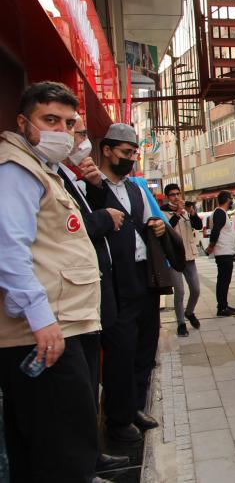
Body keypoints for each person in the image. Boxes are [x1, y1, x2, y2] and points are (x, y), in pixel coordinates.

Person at [0, 81, 105, 482]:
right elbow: (9, 249)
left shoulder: (45, 169)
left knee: (55, 439)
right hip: (42, 331)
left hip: (60, 323)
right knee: (62, 444)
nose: (60, 131)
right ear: (24, 122)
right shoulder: (16, 169)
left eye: (68, 122)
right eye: (49, 120)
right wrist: (41, 318)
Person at [58, 115, 130, 473]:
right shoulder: (49, 176)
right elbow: (68, 230)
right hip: (68, 301)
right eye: (57, 122)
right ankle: (83, 463)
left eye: (79, 129)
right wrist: (104, 219)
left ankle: (92, 454)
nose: (77, 136)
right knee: (77, 387)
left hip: (95, 292)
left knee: (92, 379)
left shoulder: (76, 177)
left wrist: (95, 181)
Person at [84, 123, 165, 444]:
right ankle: (117, 420)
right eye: (125, 153)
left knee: (145, 346)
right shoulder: (89, 187)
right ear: (106, 150)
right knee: (120, 350)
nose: (131, 159)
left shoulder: (136, 188)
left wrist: (157, 224)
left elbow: (147, 220)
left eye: (134, 153)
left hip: (144, 276)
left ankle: (135, 407)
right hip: (114, 280)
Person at [161, 183, 203, 336]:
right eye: (172, 194)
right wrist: (177, 213)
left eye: (178, 194)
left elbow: (198, 226)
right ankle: (181, 323)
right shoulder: (163, 212)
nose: (176, 197)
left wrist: (192, 213)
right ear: (167, 197)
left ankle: (189, 312)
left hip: (189, 255)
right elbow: (166, 229)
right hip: (174, 258)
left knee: (196, 289)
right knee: (179, 290)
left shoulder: (186, 210)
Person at [205, 190, 235, 317]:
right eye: (232, 198)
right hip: (223, 252)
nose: (233, 201)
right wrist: (210, 247)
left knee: (225, 280)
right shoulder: (219, 212)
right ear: (227, 199)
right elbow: (216, 231)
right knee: (223, 281)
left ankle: (224, 304)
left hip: (226, 251)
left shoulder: (222, 212)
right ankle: (222, 307)